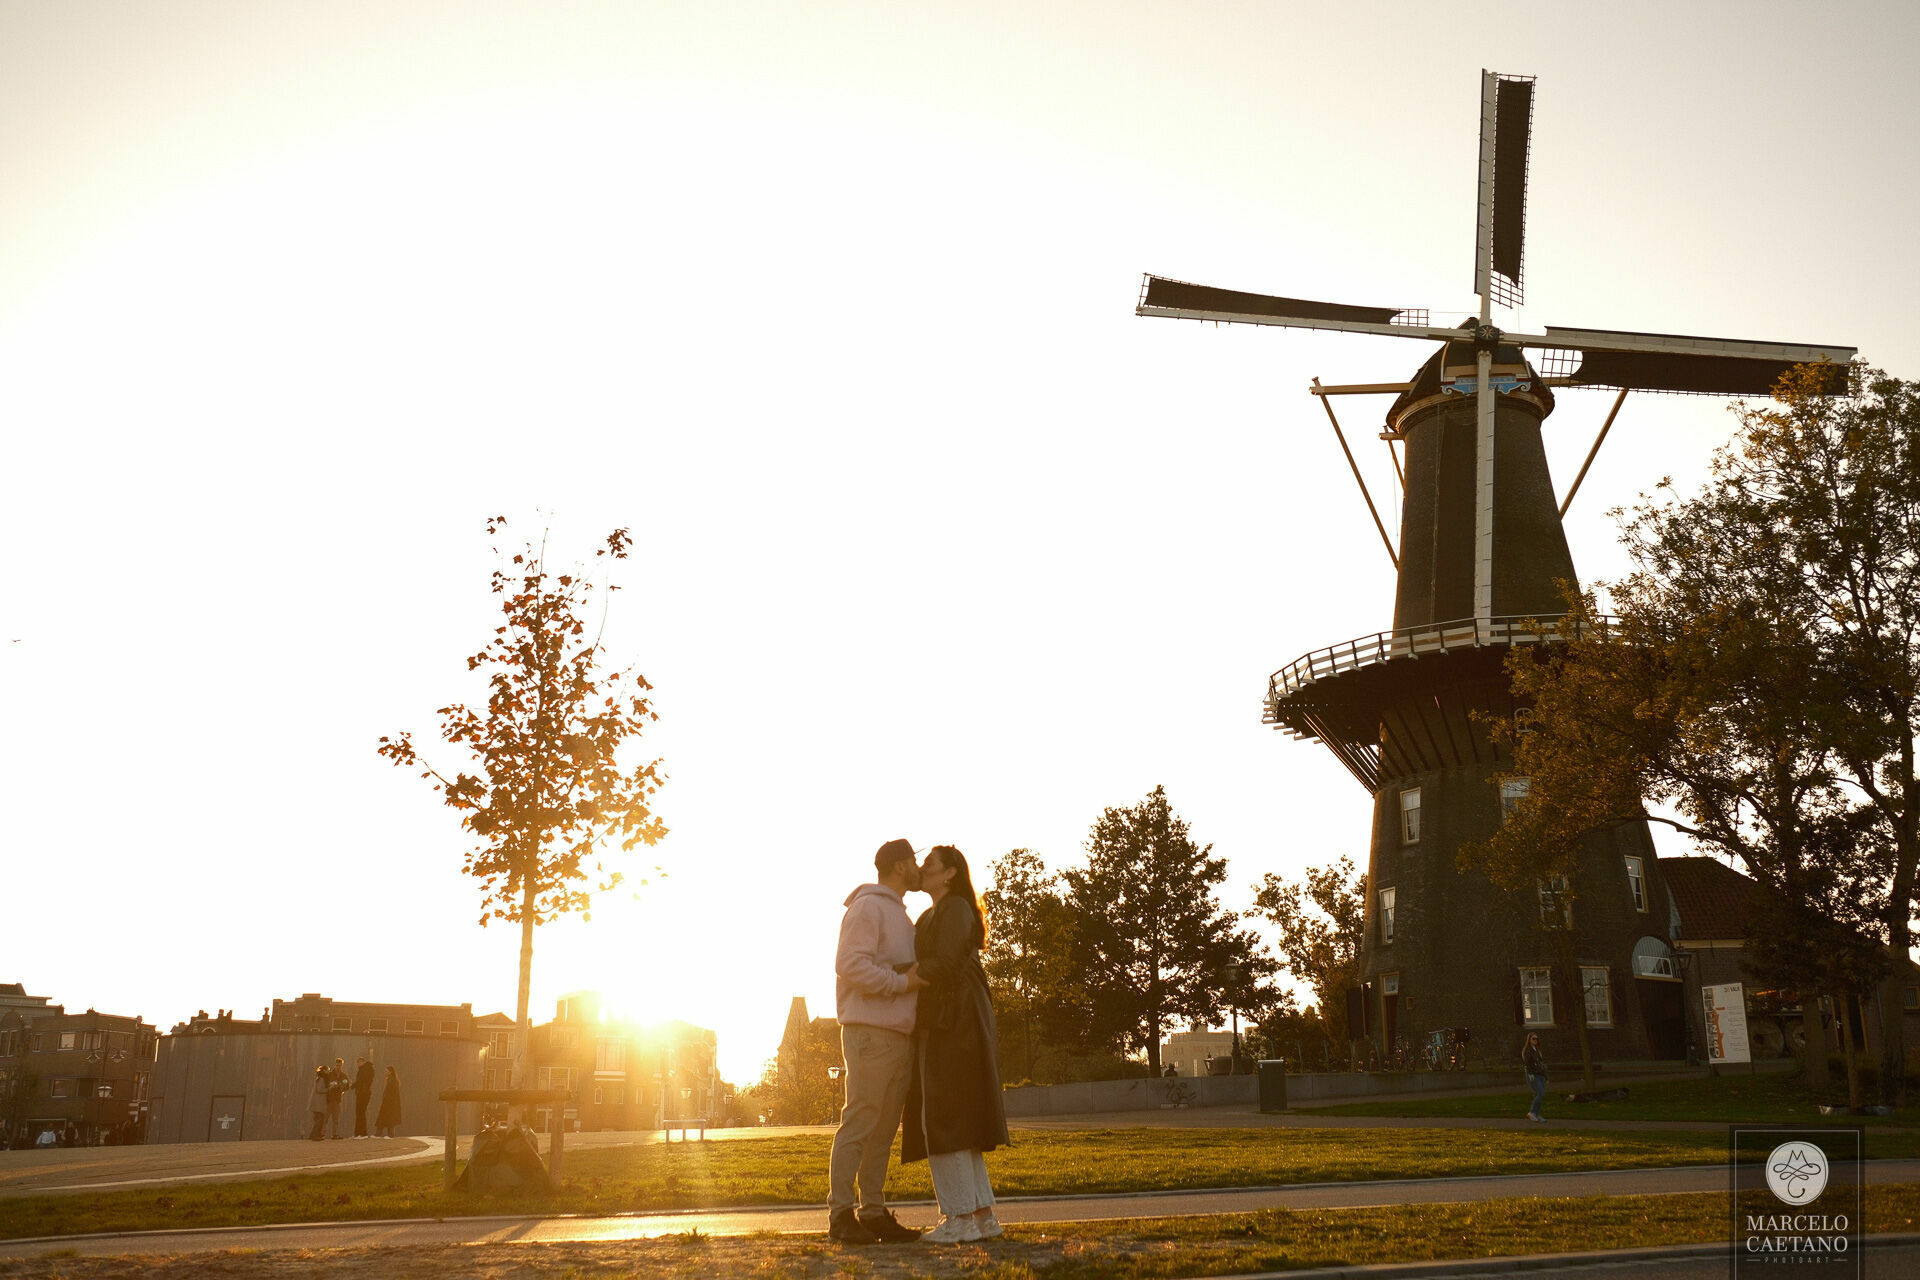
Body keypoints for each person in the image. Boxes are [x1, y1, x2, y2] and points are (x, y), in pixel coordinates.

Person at [901, 845, 1010, 1244]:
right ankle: (982, 1216)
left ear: (949, 873)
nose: (922, 867)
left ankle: (960, 1218)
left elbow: (945, 963)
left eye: (929, 863)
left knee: (943, 1116)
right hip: (953, 1016)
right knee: (956, 1117)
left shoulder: (955, 909)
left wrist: (892, 976)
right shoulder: (933, 914)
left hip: (955, 1018)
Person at [826, 838, 929, 1246]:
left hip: (895, 1035)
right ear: (902, 866)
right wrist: (902, 983)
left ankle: (871, 1211)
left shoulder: (898, 913)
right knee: (860, 1122)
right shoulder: (868, 906)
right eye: (915, 862)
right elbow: (849, 964)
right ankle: (839, 1215)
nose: (920, 869)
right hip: (870, 1033)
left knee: (883, 1130)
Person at [1523, 1031, 1548, 1122]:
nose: (1535, 1040)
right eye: (1533, 1038)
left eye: (1537, 1038)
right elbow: (1527, 1063)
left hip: (1540, 1075)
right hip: (1533, 1074)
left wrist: (1545, 1076)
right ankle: (1532, 1113)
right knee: (1540, 1093)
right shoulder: (1528, 1050)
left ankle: (1536, 1114)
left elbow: (1541, 1064)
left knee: (1540, 1094)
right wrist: (1530, 1074)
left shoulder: (1537, 1050)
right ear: (1529, 1040)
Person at [374, 1065, 402, 1138]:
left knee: (388, 1118)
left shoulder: (392, 1080)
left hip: (390, 1103)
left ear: (390, 1072)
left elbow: (393, 1092)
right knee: (386, 1118)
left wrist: (388, 1100)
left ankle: (386, 1134)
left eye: (386, 1071)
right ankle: (383, 1133)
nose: (385, 1073)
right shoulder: (391, 1079)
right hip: (388, 1102)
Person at [351, 1056, 376, 1138]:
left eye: (359, 1062)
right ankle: (361, 1133)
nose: (358, 1064)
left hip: (362, 1093)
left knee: (360, 1113)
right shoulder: (369, 1069)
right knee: (361, 1113)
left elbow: (360, 1081)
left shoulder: (363, 1070)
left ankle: (360, 1133)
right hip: (365, 1093)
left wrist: (352, 1086)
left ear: (362, 1062)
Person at [326, 1057, 350, 1139]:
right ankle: (322, 1133)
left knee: (336, 1118)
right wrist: (331, 1085)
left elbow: (347, 1085)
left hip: (337, 1099)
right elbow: (326, 1084)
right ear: (335, 1065)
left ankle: (334, 1134)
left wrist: (341, 1087)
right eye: (337, 1065)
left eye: (339, 1065)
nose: (338, 1067)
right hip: (329, 1099)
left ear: (342, 1065)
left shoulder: (344, 1076)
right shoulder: (330, 1074)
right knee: (326, 1117)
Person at [307, 1065, 331, 1140]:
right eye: (327, 1070)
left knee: (318, 1119)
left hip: (317, 1103)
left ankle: (314, 1135)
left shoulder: (320, 1078)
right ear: (324, 1070)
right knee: (320, 1119)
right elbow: (319, 1089)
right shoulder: (322, 1079)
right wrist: (329, 1089)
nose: (328, 1072)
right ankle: (315, 1135)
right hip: (318, 1103)